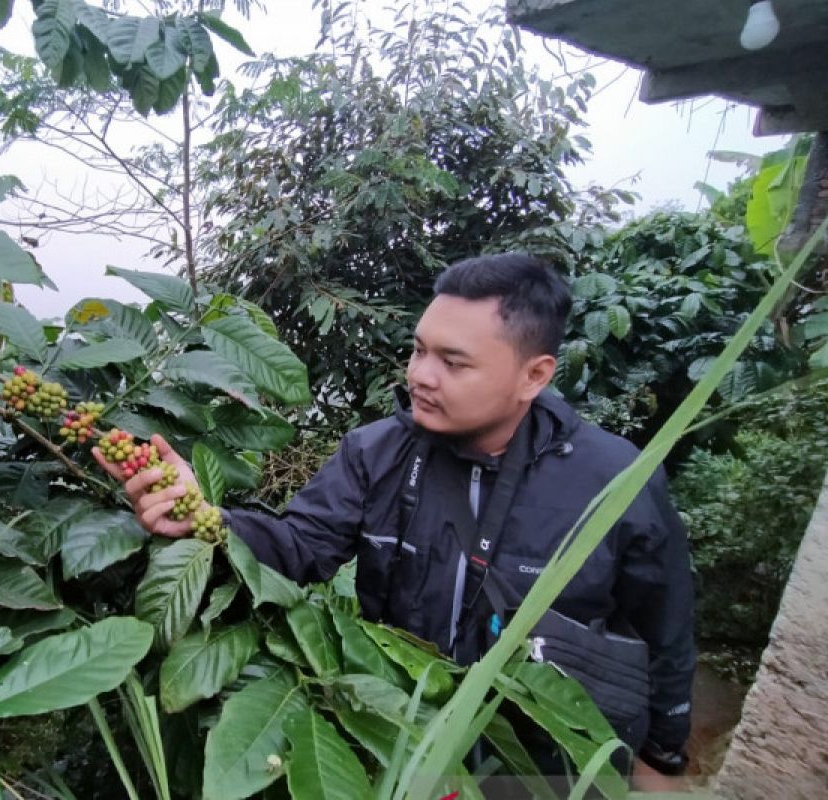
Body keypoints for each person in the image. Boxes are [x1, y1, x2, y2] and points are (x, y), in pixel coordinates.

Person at [93, 253, 694, 786]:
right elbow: (300, 547)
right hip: (411, 747)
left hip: (546, 765)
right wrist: (208, 515)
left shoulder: (616, 480)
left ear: (534, 375)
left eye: (453, 363)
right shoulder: (375, 454)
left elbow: (662, 631)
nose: (421, 375)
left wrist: (660, 758)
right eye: (419, 349)